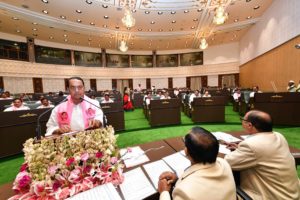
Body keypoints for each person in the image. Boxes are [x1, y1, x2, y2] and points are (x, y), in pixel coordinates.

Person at [225, 110, 300, 199]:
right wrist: (240, 149)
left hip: (271, 196)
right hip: (292, 193)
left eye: (243, 119)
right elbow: (263, 152)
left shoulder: (251, 145)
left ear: (249, 125)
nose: (241, 121)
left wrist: (242, 149)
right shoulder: (279, 136)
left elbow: (228, 162)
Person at [158, 126, 236, 200]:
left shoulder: (184, 191)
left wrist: (164, 192)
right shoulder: (223, 163)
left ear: (186, 151)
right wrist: (178, 179)